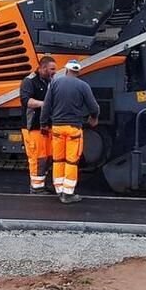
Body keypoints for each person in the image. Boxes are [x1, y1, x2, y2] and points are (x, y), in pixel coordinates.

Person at [43, 59, 99, 204]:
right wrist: (94, 118)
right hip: (73, 128)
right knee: (71, 161)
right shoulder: (83, 86)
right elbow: (94, 107)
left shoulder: (55, 83)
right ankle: (68, 193)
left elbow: (46, 105)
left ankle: (59, 189)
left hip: (57, 128)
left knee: (58, 159)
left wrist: (44, 124)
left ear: (66, 70)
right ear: (78, 72)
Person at [20, 56, 58, 193]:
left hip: (47, 126)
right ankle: (36, 187)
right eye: (52, 69)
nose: (55, 72)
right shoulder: (29, 82)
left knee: (47, 157)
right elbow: (26, 101)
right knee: (37, 158)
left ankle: (41, 184)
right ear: (42, 68)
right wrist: (44, 105)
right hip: (33, 127)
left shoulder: (50, 82)